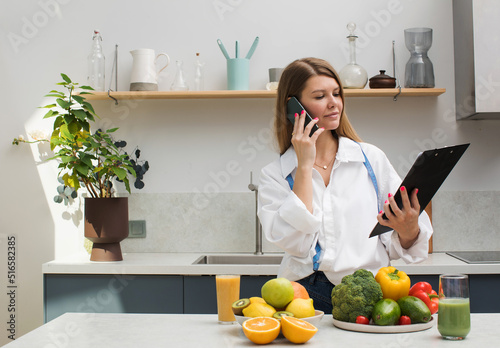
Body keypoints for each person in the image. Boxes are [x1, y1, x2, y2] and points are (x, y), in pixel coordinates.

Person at [257, 57, 433, 313]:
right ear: (294, 107)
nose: (333, 103)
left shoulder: (370, 160)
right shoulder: (276, 175)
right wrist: (305, 166)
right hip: (305, 295)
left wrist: (408, 229)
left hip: (372, 294)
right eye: (319, 96)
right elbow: (296, 243)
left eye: (337, 93)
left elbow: (404, 246)